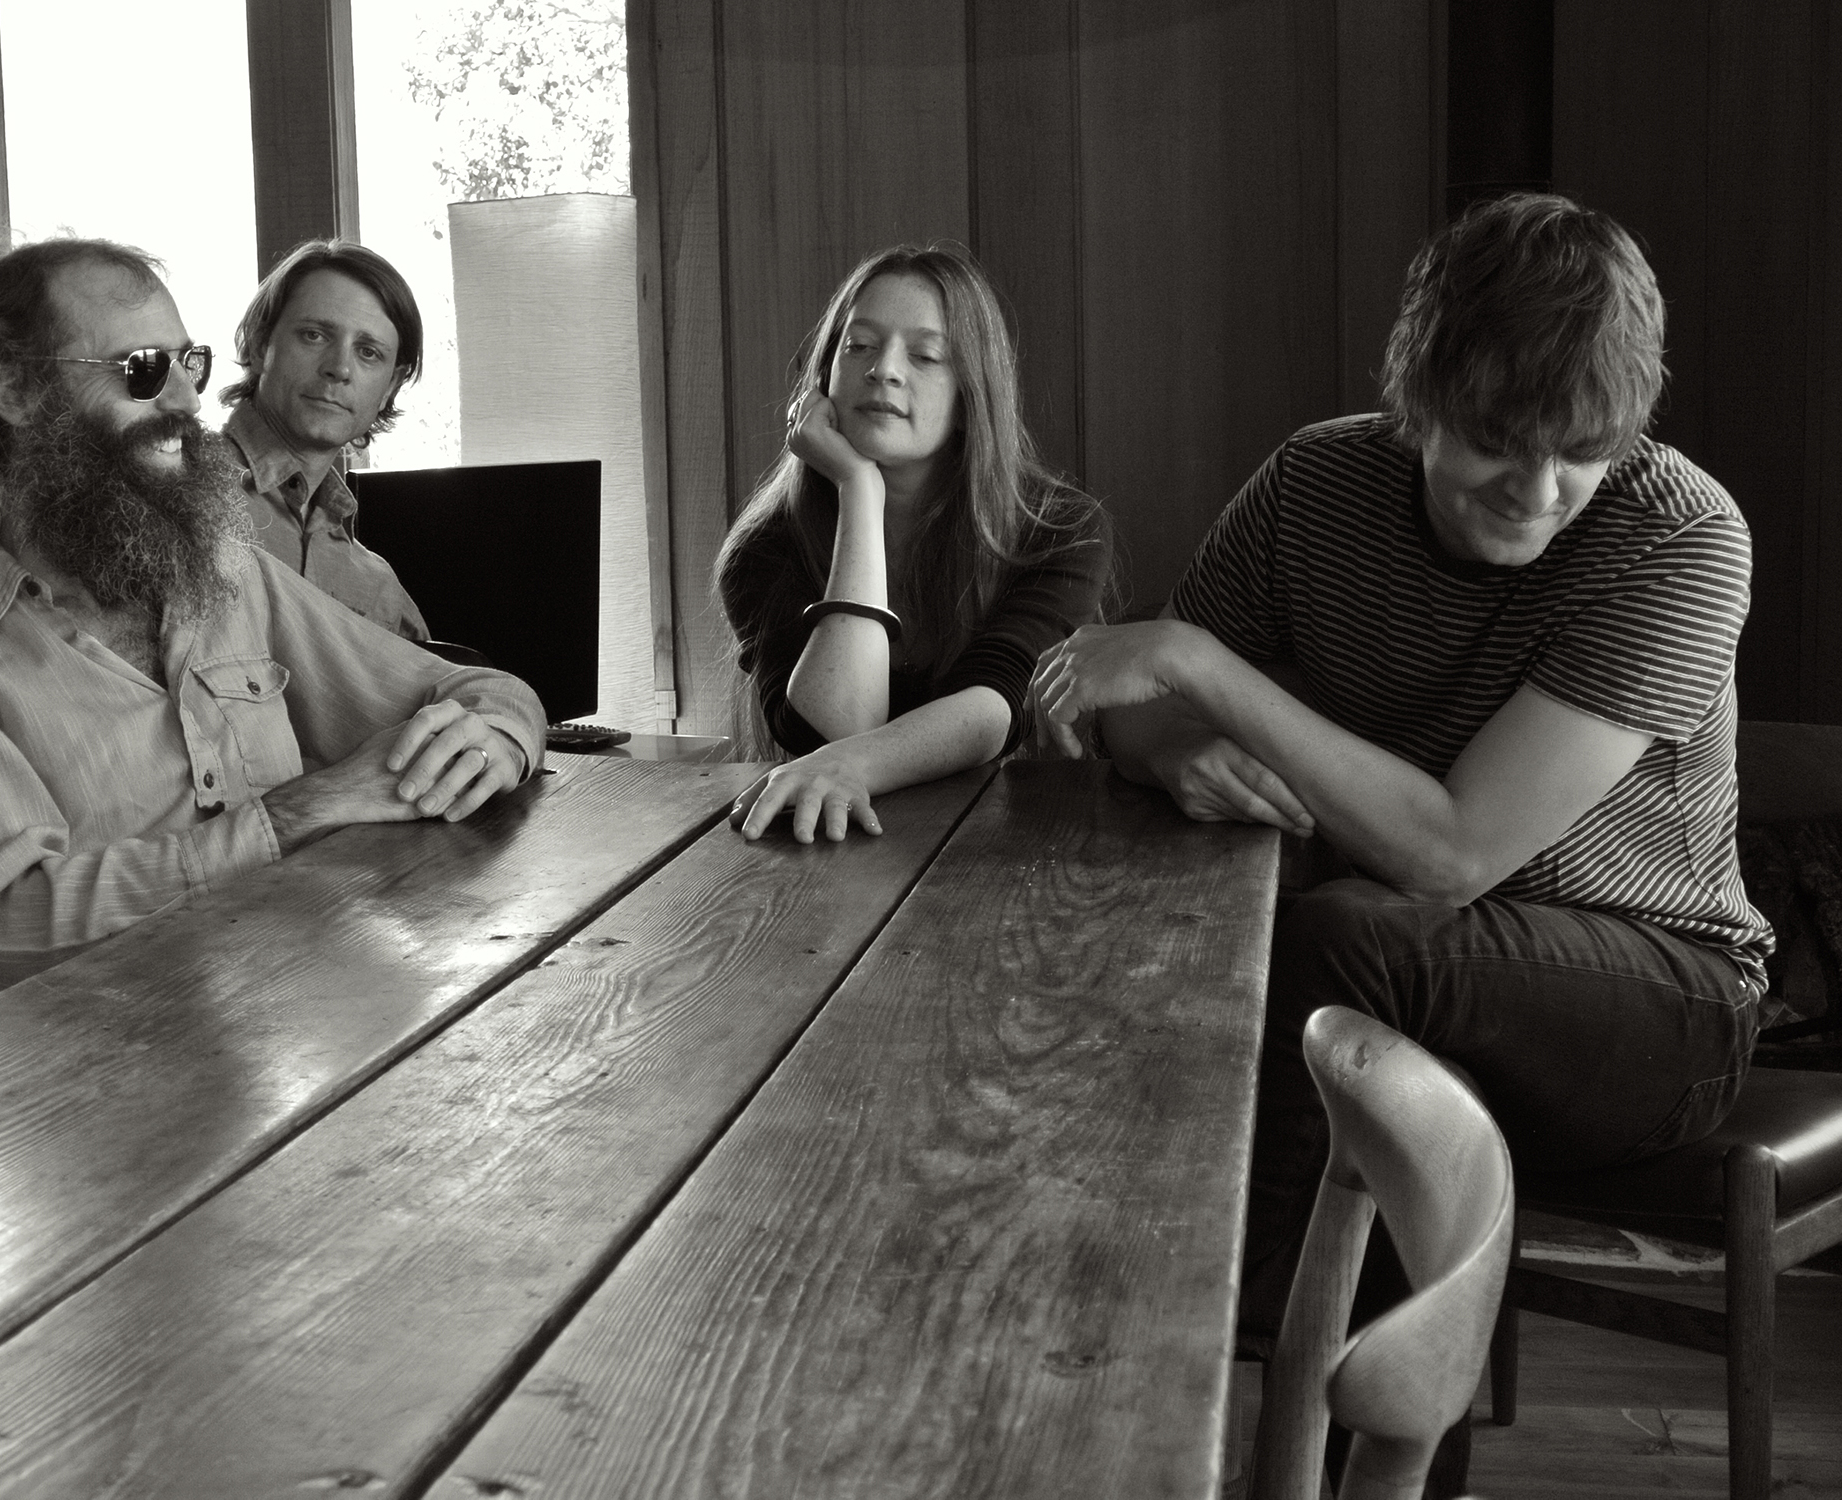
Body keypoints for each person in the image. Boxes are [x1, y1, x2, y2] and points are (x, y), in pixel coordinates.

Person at [1032, 194, 1774, 1347]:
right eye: (1497, 442)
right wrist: (1176, 743)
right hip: (1415, 977)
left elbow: (1449, 855)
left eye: (1584, 452)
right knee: (1244, 948)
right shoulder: (1315, 483)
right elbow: (1130, 708)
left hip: (1667, 1001)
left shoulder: (1682, 536)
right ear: (1417, 401)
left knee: (1349, 940)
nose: (1537, 493)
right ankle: (1325, 1397)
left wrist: (1202, 668)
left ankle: (1220, 1347)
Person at [0, 236, 546, 1002]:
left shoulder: (231, 577)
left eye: (191, 364)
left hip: (303, 1011)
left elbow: (476, 691)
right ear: (16, 392)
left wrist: (496, 740)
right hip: (82, 1059)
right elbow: (10, 922)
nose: (185, 401)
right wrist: (299, 812)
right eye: (143, 370)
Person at [715, 243, 1109, 843]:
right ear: (823, 379)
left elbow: (994, 706)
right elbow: (839, 726)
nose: (885, 370)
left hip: (1010, 841)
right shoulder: (764, 548)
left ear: (970, 398)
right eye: (859, 346)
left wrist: (854, 765)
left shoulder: (1057, 528)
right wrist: (858, 490)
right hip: (822, 844)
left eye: (925, 355)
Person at [220, 239, 429, 641]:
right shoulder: (174, 496)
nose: (339, 368)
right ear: (261, 345)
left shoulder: (378, 589)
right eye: (314, 335)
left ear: (390, 386)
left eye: (368, 352)